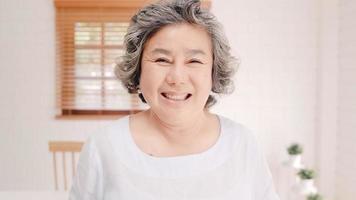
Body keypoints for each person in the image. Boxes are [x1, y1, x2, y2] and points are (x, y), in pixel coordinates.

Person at [69, 0, 280, 199]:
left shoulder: (243, 145)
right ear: (138, 69)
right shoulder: (104, 146)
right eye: (162, 59)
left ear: (214, 71)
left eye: (194, 60)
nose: (177, 78)